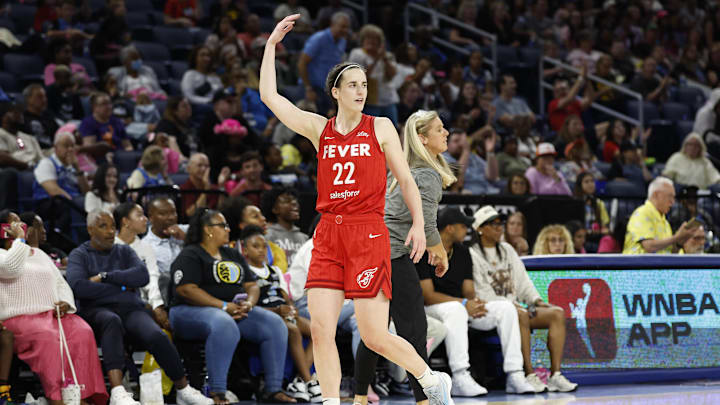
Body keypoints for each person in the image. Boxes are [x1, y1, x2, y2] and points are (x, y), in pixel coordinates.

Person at [260, 15, 453, 405]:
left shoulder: (380, 126)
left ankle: (430, 378)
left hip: (368, 232)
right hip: (329, 233)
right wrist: (270, 47)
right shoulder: (320, 129)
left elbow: (407, 179)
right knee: (321, 329)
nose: (361, 90)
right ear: (335, 91)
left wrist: (419, 224)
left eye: (364, 85)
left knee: (374, 336)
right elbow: (271, 98)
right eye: (352, 85)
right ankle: (332, 400)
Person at [353, 109, 455, 404]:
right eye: (439, 129)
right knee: (414, 331)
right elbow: (427, 222)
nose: (446, 132)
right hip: (391, 255)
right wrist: (441, 256)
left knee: (375, 332)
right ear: (422, 139)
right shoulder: (426, 174)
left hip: (370, 252)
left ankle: (360, 398)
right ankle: (425, 399)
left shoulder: (399, 170)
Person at [66, 210, 212, 405]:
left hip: (131, 309)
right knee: (111, 321)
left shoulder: (124, 250)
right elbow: (79, 287)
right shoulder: (79, 254)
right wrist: (123, 288)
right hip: (96, 311)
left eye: (112, 226)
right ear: (90, 229)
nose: (110, 232)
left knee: (157, 335)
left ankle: (183, 389)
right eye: (103, 226)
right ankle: (118, 392)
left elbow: (142, 276)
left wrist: (106, 277)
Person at [169, 209, 294, 404]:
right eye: (223, 225)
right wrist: (223, 306)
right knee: (223, 323)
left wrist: (249, 304)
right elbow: (186, 290)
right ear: (208, 230)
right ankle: (217, 392)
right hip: (188, 312)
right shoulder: (191, 254)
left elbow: (252, 285)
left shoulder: (231, 253)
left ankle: (273, 389)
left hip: (232, 310)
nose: (228, 229)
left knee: (274, 324)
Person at [421, 207, 536, 394]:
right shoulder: (426, 250)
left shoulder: (463, 252)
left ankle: (515, 374)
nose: (467, 230)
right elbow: (428, 295)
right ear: (449, 228)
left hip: (461, 307)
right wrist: (464, 304)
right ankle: (460, 376)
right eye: (463, 226)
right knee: (455, 309)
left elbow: (468, 290)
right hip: (431, 310)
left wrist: (474, 304)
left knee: (506, 308)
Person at [0, 209, 107, 405]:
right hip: (19, 318)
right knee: (48, 337)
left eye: (20, 223)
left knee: (83, 331)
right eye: (13, 223)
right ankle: (57, 397)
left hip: (53, 314)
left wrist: (66, 302)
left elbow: (60, 283)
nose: (19, 226)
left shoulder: (39, 254)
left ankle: (81, 395)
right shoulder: (3, 255)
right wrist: (20, 241)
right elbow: (10, 268)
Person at [470, 206, 578, 393]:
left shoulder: (507, 250)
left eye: (500, 223)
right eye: (493, 224)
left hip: (517, 307)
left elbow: (523, 282)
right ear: (480, 228)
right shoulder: (473, 254)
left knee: (557, 314)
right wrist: (514, 305)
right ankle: (529, 373)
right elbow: (482, 292)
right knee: (518, 313)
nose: (499, 228)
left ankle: (555, 375)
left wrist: (537, 301)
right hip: (492, 311)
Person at [240, 225, 317, 402]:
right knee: (293, 330)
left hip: (284, 312)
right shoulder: (246, 273)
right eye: (255, 246)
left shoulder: (274, 271)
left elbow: (285, 297)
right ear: (245, 250)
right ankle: (308, 380)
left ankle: (298, 381)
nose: (261, 250)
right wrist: (278, 311)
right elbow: (251, 307)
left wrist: (291, 308)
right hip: (266, 315)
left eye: (264, 246)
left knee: (319, 331)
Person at [113, 202, 167, 326]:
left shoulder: (146, 248)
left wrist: (157, 305)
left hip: (141, 303)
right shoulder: (111, 247)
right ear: (125, 221)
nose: (146, 219)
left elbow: (152, 277)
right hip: (115, 303)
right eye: (140, 215)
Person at [33, 131, 90, 232]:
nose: (70, 149)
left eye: (72, 146)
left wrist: (77, 168)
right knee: (68, 205)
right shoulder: (46, 163)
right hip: (50, 204)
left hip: (72, 202)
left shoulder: (73, 166)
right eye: (66, 146)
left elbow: (86, 191)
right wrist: (74, 203)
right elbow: (53, 190)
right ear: (55, 148)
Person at [623, 177, 695, 254]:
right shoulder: (642, 213)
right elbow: (649, 246)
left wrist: (679, 243)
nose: (673, 202)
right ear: (656, 195)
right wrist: (676, 238)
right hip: (638, 265)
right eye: (670, 196)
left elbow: (670, 253)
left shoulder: (665, 222)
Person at [297, 12, 351, 114]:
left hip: (327, 89)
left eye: (347, 27)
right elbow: (302, 63)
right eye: (342, 27)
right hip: (311, 88)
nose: (345, 30)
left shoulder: (342, 41)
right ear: (333, 24)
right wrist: (308, 88)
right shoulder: (318, 39)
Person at [221, 196, 288, 273]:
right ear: (241, 225)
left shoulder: (276, 250)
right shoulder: (229, 250)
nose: (263, 219)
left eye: (261, 215)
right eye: (255, 216)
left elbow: (280, 276)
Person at [348, 24, 399, 125]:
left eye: (375, 38)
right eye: (368, 37)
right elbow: (359, 77)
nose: (372, 41)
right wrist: (376, 59)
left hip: (388, 100)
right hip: (369, 102)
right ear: (362, 39)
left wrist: (384, 59)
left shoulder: (388, 55)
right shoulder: (357, 54)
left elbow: (392, 74)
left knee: (392, 130)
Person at [143, 197, 187, 305]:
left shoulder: (185, 231)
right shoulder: (145, 246)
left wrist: (186, 238)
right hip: (168, 298)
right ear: (151, 217)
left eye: (173, 212)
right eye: (163, 214)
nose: (171, 218)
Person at [443, 128, 499, 195]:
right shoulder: (444, 158)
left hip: (488, 193)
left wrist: (490, 152)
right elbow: (456, 178)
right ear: (447, 144)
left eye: (464, 141)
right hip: (468, 196)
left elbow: (492, 177)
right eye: (456, 141)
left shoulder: (473, 157)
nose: (461, 144)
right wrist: (466, 151)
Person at [261, 187, 308, 266]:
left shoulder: (304, 238)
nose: (294, 203)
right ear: (275, 209)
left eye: (295, 200)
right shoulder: (268, 235)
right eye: (287, 201)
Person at [181, 153, 230, 217]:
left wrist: (221, 185)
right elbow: (191, 214)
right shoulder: (184, 189)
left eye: (206, 166)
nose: (203, 169)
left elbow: (222, 210)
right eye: (199, 165)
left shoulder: (213, 188)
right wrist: (205, 191)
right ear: (188, 168)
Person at [0, 102, 43, 171]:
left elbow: (42, 159)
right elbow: (2, 158)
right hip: (18, 172)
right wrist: (26, 166)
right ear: (3, 117)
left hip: (37, 171)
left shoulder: (30, 137)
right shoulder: (1, 133)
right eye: (14, 112)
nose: (19, 114)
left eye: (20, 112)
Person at [22, 84, 59, 151]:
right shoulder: (22, 119)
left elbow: (59, 134)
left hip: (53, 151)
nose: (44, 100)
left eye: (45, 96)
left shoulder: (48, 115)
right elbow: (20, 141)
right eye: (40, 97)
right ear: (28, 99)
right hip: (34, 152)